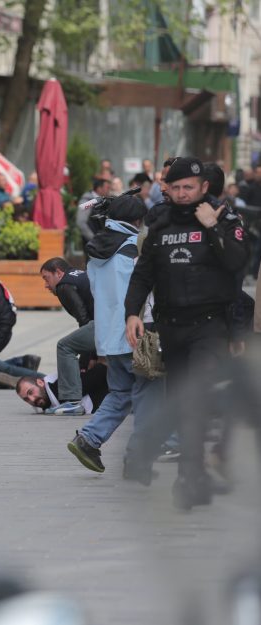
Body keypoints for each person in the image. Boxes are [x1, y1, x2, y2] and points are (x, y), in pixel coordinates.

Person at [124, 157, 249, 509]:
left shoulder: (221, 220)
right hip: (172, 327)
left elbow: (238, 265)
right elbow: (142, 274)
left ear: (203, 188)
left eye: (188, 188)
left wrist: (212, 228)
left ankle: (188, 475)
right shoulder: (160, 223)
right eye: (174, 187)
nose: (181, 194)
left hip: (210, 326)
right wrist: (131, 312)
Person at [67, 195, 157, 475]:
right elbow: (144, 293)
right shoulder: (133, 248)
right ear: (137, 220)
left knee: (121, 393)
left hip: (109, 337)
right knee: (148, 395)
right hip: (136, 332)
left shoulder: (95, 251)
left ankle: (89, 439)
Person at [38, 257, 96, 416]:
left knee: (65, 346)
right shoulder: (79, 275)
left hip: (104, 324)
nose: (46, 285)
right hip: (113, 320)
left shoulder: (64, 286)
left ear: (58, 273)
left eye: (46, 278)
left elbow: (84, 320)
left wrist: (90, 356)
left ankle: (72, 401)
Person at [15, 363, 109, 414]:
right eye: (26, 399)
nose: (32, 399)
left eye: (30, 392)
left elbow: (101, 371)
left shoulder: (61, 387)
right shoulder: (50, 400)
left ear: (40, 382)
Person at [77, 178, 111, 244]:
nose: (109, 190)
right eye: (107, 188)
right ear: (99, 188)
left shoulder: (104, 200)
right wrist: (93, 239)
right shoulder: (89, 201)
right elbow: (81, 222)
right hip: (92, 244)